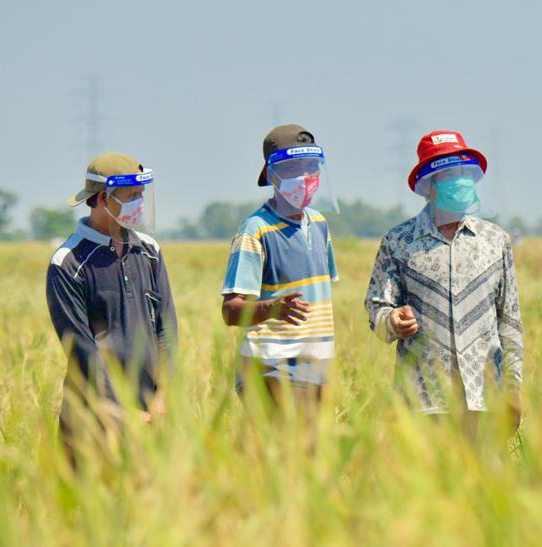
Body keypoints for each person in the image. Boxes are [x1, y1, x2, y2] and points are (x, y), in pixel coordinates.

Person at [364, 130, 523, 431]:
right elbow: (377, 308)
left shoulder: (494, 241)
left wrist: (513, 389)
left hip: (485, 398)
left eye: (465, 172)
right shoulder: (399, 241)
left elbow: (509, 320)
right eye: (450, 174)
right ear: (429, 186)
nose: (461, 180)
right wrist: (392, 320)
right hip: (422, 402)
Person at [47, 152, 177, 463]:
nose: (140, 203)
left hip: (151, 415)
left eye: (142, 195)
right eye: (133, 196)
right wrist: (122, 411)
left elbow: (166, 329)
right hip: (93, 418)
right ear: (104, 198)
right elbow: (81, 350)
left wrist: (162, 397)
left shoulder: (149, 252)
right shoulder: (68, 263)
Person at [220, 125, 340, 420]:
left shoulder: (319, 223)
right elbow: (230, 311)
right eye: (292, 168)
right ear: (272, 175)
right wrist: (272, 309)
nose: (304, 177)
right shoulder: (255, 230)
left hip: (318, 370)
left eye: (311, 167)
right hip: (271, 370)